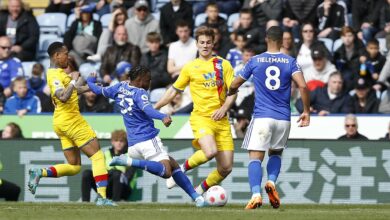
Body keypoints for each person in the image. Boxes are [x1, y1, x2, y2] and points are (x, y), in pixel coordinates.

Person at [86, 66, 206, 207]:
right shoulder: (140, 92)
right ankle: (128, 162)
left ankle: (196, 197)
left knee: (172, 164)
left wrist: (90, 80)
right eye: (148, 80)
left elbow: (97, 90)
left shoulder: (119, 86)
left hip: (132, 145)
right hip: (147, 140)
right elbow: (148, 109)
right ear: (140, 79)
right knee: (167, 171)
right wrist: (162, 116)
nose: (150, 83)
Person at [227, 26, 310, 209]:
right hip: (283, 118)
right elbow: (303, 87)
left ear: (266, 39)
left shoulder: (255, 60)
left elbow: (236, 82)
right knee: (276, 152)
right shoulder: (290, 61)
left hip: (263, 117)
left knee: (255, 158)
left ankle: (256, 194)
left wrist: (231, 90)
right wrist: (306, 111)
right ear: (281, 41)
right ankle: (271, 182)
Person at [27, 42, 115, 206]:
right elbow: (63, 96)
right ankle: (102, 198)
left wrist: (90, 85)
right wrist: (75, 81)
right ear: (56, 56)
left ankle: (39, 172)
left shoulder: (60, 73)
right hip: (71, 120)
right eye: (66, 53)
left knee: (74, 166)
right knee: (97, 156)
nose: (69, 56)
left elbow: (73, 91)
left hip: (62, 122)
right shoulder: (53, 75)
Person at [155, 26, 237, 195]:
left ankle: (199, 192)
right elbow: (173, 91)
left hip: (221, 120)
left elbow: (233, 92)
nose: (205, 45)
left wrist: (224, 108)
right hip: (201, 118)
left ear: (213, 43)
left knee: (226, 168)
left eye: (208, 42)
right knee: (210, 151)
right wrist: (154, 107)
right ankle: (178, 171)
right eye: (201, 42)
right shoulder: (190, 67)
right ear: (197, 45)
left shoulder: (224, 65)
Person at [82, 130, 135, 202]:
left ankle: (115, 202)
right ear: (112, 142)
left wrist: (114, 172)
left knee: (117, 173)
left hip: (123, 188)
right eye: (116, 141)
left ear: (125, 142)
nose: (119, 143)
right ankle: (85, 203)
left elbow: (129, 177)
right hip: (107, 186)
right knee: (87, 173)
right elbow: (99, 171)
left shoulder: (130, 155)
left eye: (121, 141)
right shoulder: (106, 154)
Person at [333, 26, 365, 92]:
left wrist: (361, 77)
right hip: (345, 81)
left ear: (353, 36)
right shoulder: (338, 52)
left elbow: (364, 68)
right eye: (344, 36)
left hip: (359, 78)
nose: (347, 38)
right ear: (341, 38)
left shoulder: (362, 50)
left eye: (349, 36)